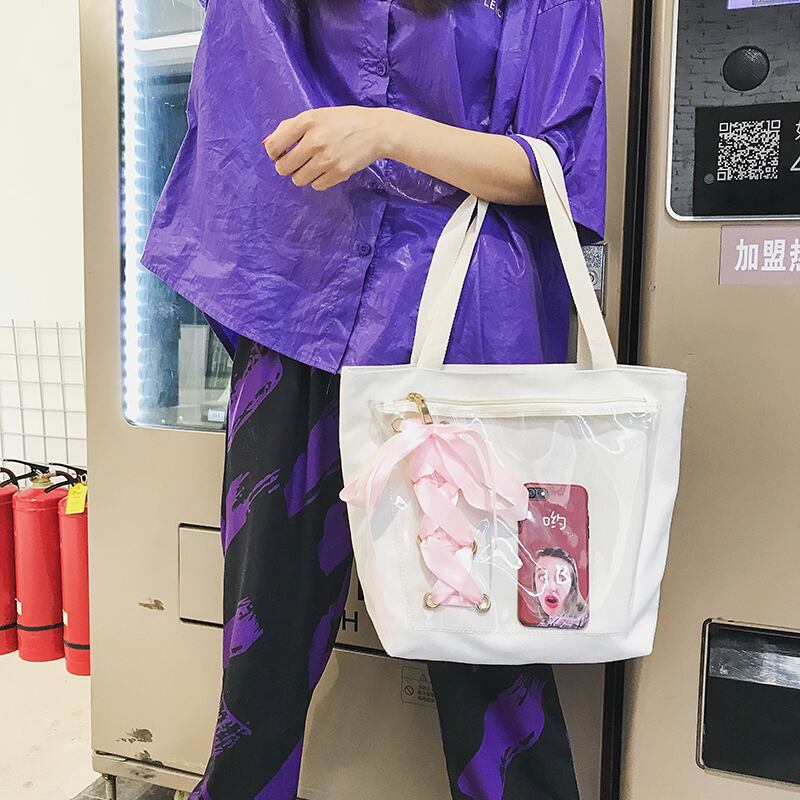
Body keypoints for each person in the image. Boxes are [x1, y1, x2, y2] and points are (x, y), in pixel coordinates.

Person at [141, 0, 607, 797]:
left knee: (495, 658)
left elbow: (558, 167)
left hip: (467, 341)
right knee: (262, 650)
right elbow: (238, 130)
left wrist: (388, 132)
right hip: (297, 314)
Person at [529, 547, 590, 629]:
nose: (551, 587)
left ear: (572, 585)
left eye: (561, 578)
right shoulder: (544, 626)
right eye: (543, 578)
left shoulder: (585, 623)